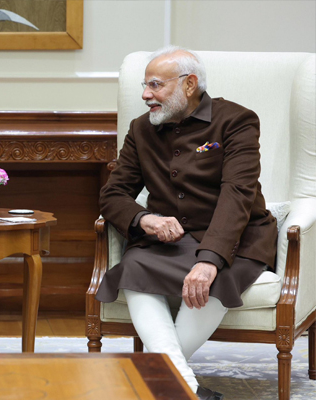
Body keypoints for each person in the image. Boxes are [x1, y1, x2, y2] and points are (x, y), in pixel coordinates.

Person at [96, 46, 277, 400]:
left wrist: (210, 259)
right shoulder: (141, 129)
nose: (146, 94)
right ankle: (181, 388)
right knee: (134, 265)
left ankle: (158, 382)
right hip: (168, 241)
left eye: (155, 85)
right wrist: (144, 218)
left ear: (189, 84)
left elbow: (237, 193)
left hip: (235, 237)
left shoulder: (237, 120)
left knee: (217, 275)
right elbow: (112, 195)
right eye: (145, 85)